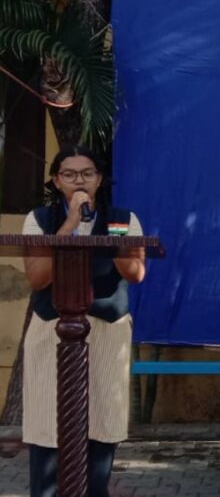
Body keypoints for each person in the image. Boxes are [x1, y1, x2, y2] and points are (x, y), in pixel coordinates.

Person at [22, 146, 146, 497]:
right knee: (48, 421)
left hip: (107, 331)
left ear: (99, 179)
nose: (80, 181)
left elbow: (136, 273)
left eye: (87, 174)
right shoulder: (39, 220)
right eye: (70, 174)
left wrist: (112, 239)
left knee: (102, 421)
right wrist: (69, 226)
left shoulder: (122, 219)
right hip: (52, 330)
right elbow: (38, 278)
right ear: (56, 180)